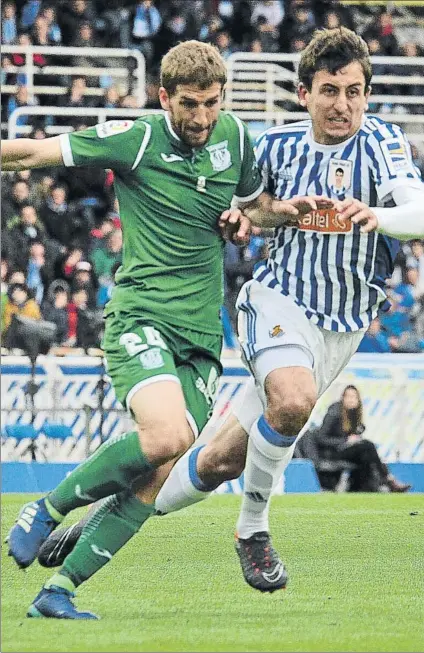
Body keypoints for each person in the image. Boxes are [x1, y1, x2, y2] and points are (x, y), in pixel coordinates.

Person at [38, 27, 424, 597]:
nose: (342, 104)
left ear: (367, 94)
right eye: (328, 90)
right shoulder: (269, 146)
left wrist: (378, 216)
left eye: (354, 91)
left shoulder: (384, 144)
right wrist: (245, 219)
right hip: (278, 300)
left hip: (341, 325)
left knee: (217, 461)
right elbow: (244, 207)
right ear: (303, 93)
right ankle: (253, 531)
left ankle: (93, 524)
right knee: (291, 401)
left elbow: (417, 213)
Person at [4, 39, 323, 620]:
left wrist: (268, 215)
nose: (202, 118)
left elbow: (252, 209)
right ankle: (44, 509)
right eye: (190, 105)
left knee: (156, 474)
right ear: (164, 96)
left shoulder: (235, 138)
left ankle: (60, 591)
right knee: (167, 437)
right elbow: (31, 154)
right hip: (141, 317)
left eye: (211, 103)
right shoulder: (139, 137)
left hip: (201, 338)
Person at [314, 385, 411, 492]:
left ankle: (367, 488)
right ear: (343, 398)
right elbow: (321, 438)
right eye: (348, 396)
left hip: (348, 451)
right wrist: (346, 441)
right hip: (332, 453)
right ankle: (387, 480)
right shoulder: (334, 412)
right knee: (368, 445)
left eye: (354, 397)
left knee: (366, 455)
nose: (351, 400)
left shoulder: (354, 416)